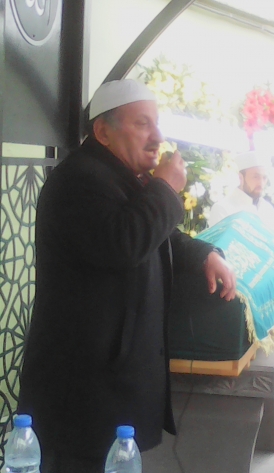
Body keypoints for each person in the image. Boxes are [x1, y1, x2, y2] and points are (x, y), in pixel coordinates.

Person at [18, 79, 236, 473]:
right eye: (142, 124)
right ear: (103, 132)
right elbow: (125, 242)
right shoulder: (79, 180)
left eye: (156, 123)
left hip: (108, 382)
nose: (157, 137)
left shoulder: (118, 176)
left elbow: (159, 235)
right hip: (83, 388)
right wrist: (165, 189)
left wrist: (204, 254)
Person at [205, 151, 274, 230]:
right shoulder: (222, 208)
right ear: (241, 178)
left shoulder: (268, 209)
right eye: (255, 177)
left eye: (264, 177)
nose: (261, 183)